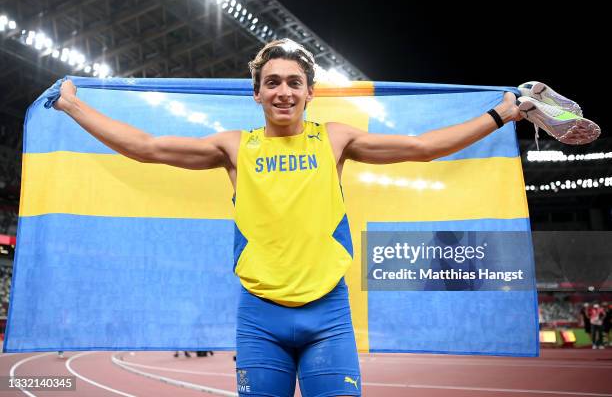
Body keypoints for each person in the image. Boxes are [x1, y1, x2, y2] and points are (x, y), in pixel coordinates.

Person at [53, 38, 576, 396]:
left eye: (294, 82)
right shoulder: (234, 147)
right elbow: (145, 147)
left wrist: (499, 114)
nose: (283, 90)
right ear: (256, 92)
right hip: (260, 318)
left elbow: (421, 146)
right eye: (273, 81)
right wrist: (74, 107)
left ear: (309, 92)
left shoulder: (336, 138)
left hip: (328, 316)